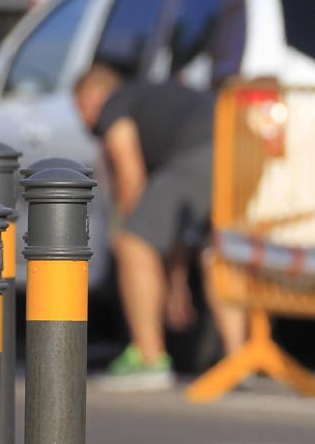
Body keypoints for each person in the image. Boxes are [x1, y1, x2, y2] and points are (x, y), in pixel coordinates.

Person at [74, 63, 246, 390]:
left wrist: (131, 234)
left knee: (132, 241)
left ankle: (148, 359)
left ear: (93, 94)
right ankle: (238, 361)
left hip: (206, 153)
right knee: (218, 252)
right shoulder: (160, 103)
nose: (84, 122)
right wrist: (175, 279)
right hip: (243, 151)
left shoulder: (116, 103)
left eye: (80, 108)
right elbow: (173, 223)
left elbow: (130, 178)